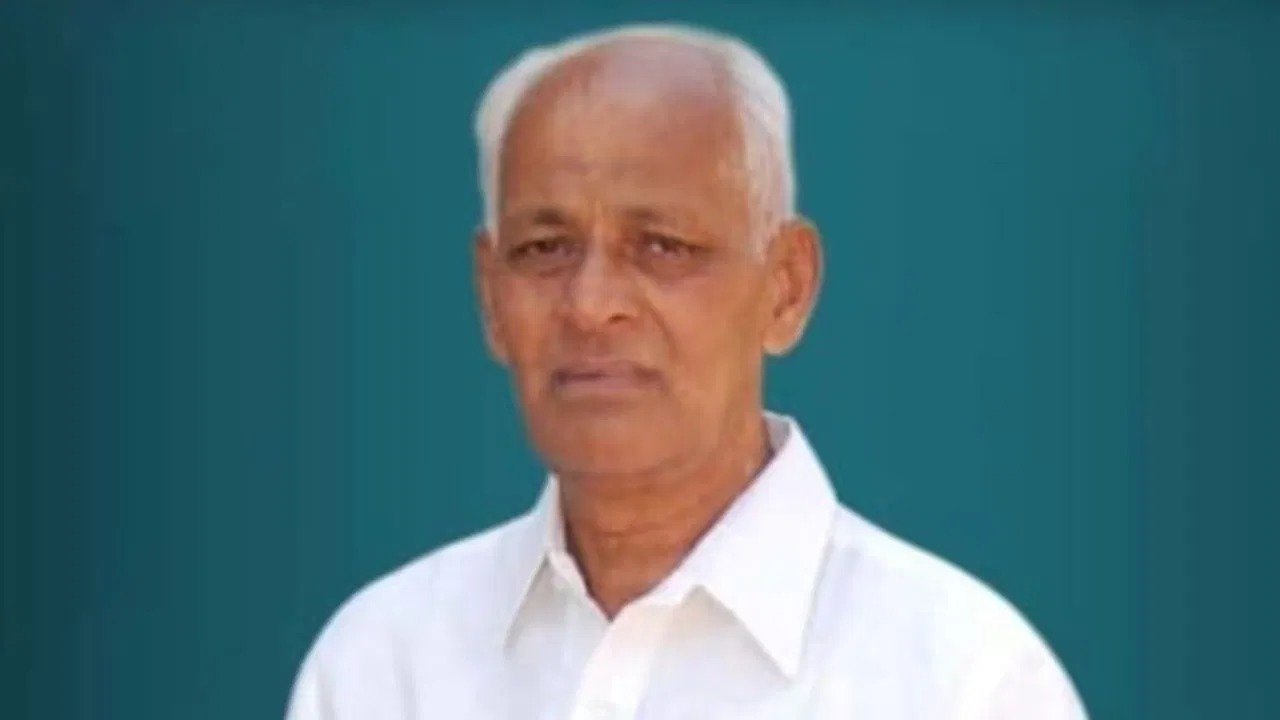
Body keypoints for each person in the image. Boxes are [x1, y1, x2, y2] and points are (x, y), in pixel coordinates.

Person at [285, 23, 1087, 720]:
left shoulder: (963, 682)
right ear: (491, 297)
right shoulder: (382, 666)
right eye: (545, 249)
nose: (591, 305)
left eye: (662, 246)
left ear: (786, 287)